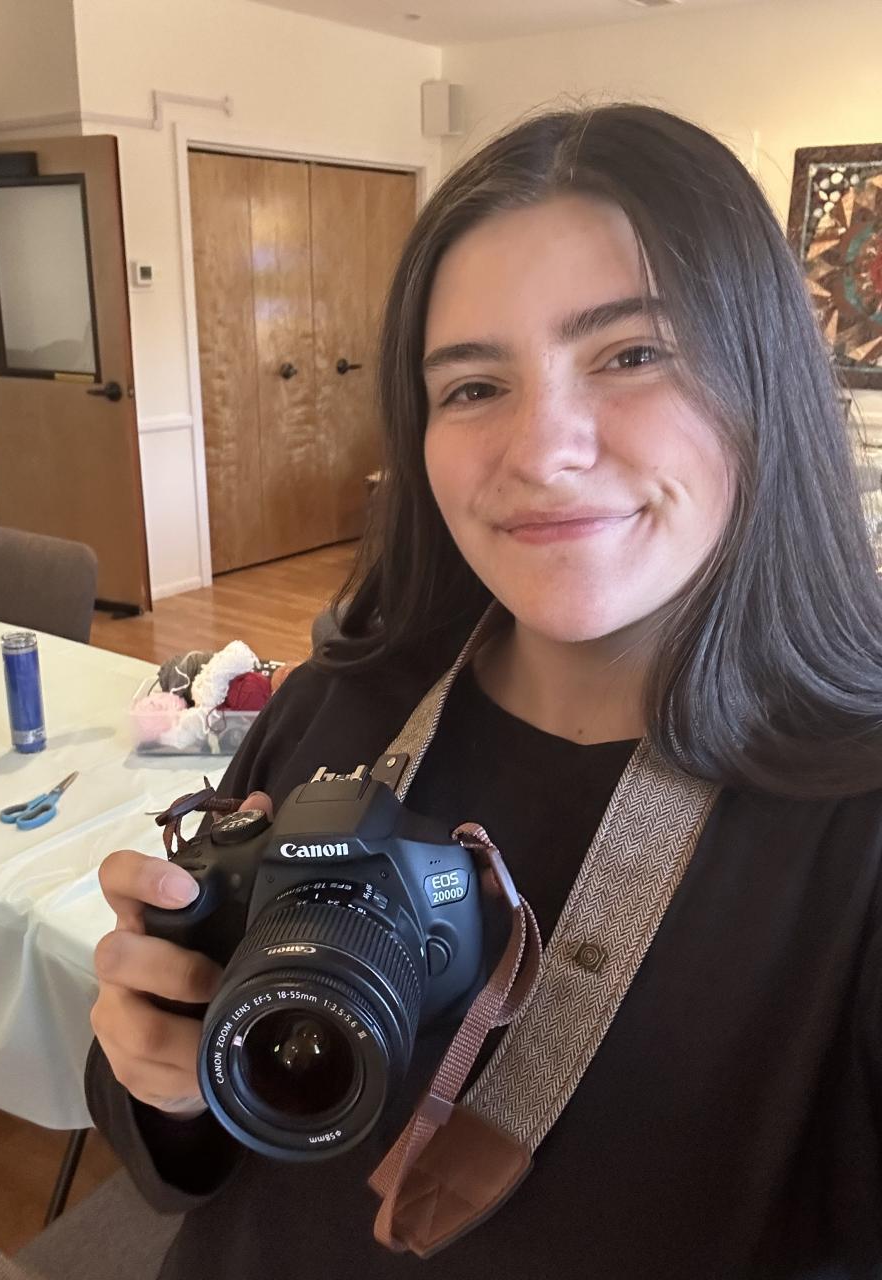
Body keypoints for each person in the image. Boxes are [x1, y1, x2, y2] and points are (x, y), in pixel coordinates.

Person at [86, 103, 882, 1279]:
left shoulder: (854, 831)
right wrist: (161, 1073)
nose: (543, 448)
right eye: (471, 385)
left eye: (632, 354)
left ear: (763, 377)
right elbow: (181, 1158)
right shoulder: (329, 710)